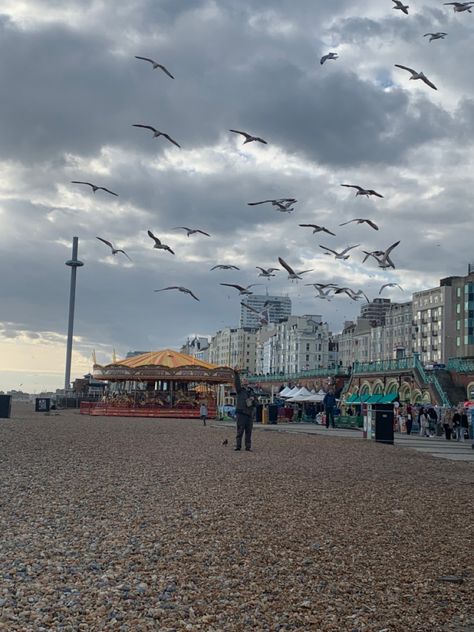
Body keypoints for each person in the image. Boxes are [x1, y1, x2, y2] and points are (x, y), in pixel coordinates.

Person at [234, 369, 256, 451]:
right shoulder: (240, 390)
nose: (245, 381)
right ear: (242, 382)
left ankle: (248, 446)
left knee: (249, 432)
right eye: (244, 380)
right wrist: (236, 374)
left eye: (246, 380)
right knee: (240, 431)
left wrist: (253, 400)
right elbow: (237, 383)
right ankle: (238, 446)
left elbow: (257, 403)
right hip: (241, 413)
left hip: (249, 414)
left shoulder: (252, 391)